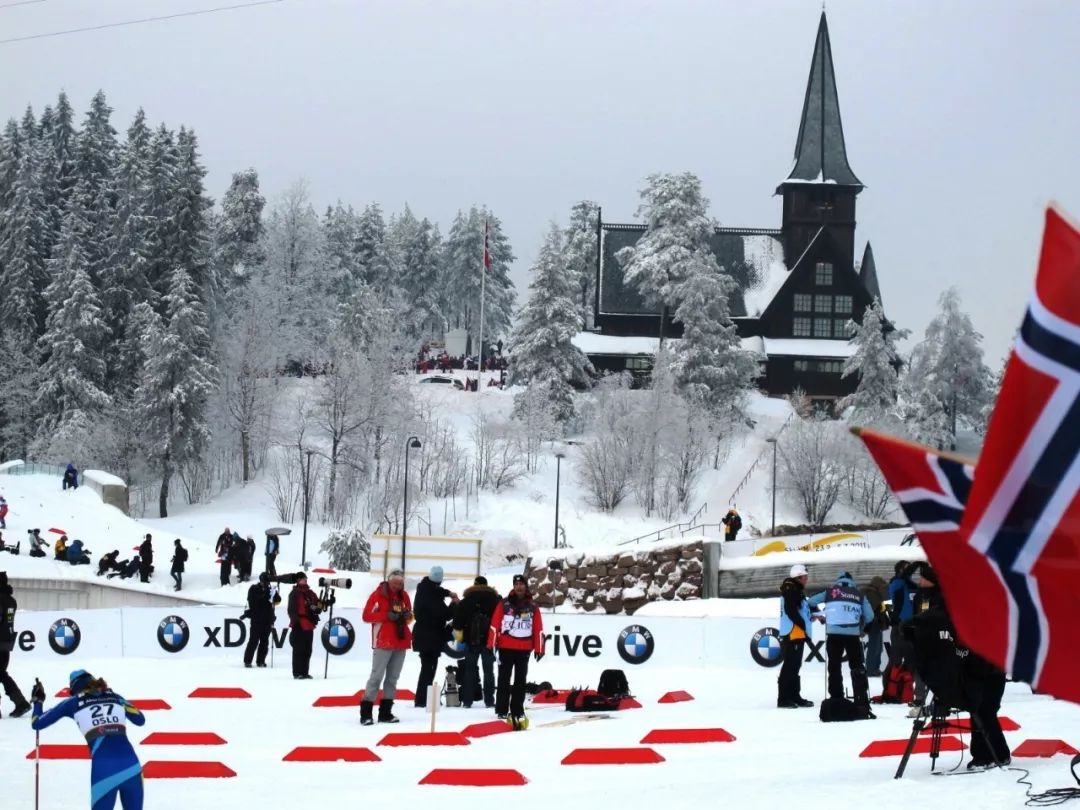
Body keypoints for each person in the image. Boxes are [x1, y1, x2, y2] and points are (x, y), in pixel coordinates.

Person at [904, 571, 1012, 769]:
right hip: (976, 665)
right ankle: (992, 754)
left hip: (989, 665)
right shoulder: (936, 600)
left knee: (984, 711)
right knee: (981, 711)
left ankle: (992, 755)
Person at [32, 669, 145, 809]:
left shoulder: (72, 702)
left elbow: (37, 723)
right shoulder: (115, 697)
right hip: (132, 767)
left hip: (105, 771)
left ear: (74, 688)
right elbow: (140, 720)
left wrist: (38, 701)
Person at [808, 571, 875, 717]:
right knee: (857, 667)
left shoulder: (830, 592)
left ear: (838, 580)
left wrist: (821, 615)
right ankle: (861, 698)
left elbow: (810, 602)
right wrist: (865, 626)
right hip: (852, 635)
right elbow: (870, 616)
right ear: (852, 581)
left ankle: (836, 697)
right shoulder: (858, 594)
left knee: (834, 665)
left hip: (833, 634)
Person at [489, 574, 545, 727]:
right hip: (505, 647)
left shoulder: (533, 607)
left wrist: (539, 648)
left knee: (520, 681)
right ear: (513, 586)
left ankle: (517, 709)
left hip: (523, 649)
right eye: (516, 584)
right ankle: (501, 709)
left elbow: (538, 628)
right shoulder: (504, 604)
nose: (519, 587)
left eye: (521, 584)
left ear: (526, 586)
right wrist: (491, 645)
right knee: (503, 680)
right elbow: (495, 624)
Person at [360, 569, 413, 725]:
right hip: (383, 641)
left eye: (400, 583)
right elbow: (366, 616)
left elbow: (410, 616)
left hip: (400, 640)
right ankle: (366, 713)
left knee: (392, 678)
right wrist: (386, 616)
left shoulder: (405, 597)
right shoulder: (377, 595)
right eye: (395, 583)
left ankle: (385, 713)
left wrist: (407, 617)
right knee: (376, 676)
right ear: (389, 581)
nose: (397, 586)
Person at [412, 566, 458, 708]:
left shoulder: (424, 588)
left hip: (423, 635)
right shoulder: (432, 596)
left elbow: (438, 591)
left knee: (427, 668)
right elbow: (446, 614)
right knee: (428, 669)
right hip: (429, 637)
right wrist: (453, 603)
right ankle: (423, 700)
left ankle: (423, 698)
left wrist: (449, 593)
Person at [453, 575, 501, 708]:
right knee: (489, 671)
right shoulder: (495, 600)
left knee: (469, 671)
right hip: (489, 641)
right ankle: (489, 701)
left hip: (470, 640)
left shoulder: (467, 600)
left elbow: (457, 623)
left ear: (474, 585)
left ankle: (467, 701)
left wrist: (461, 636)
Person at [777, 564, 815, 709]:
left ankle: (794, 696)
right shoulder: (791, 590)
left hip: (797, 632)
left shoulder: (794, 590)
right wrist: (802, 624)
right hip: (794, 632)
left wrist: (811, 616)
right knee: (790, 666)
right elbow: (791, 611)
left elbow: (798, 610)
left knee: (795, 666)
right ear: (798, 577)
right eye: (805, 576)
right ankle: (784, 699)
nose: (807, 579)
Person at [1, 572, 32, 717]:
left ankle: (21, 703)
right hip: (6, 643)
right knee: (1, 674)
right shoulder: (11, 600)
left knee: (2, 675)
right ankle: (20, 702)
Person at [286, 572, 321, 679]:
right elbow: (291, 610)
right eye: (302, 578)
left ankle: (305, 672)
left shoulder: (311, 593)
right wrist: (296, 621)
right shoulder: (294, 593)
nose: (305, 580)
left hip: (309, 624)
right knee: (298, 649)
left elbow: (318, 603)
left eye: (305, 578)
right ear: (297, 580)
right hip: (299, 624)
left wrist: (319, 606)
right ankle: (297, 673)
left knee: (307, 649)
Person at [244, 572, 276, 668]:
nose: (266, 584)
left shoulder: (270, 590)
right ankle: (248, 660)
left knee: (264, 641)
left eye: (267, 582)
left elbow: (276, 601)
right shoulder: (254, 589)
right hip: (257, 619)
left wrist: (275, 595)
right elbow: (253, 603)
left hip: (267, 619)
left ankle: (261, 661)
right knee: (253, 641)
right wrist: (264, 596)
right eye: (264, 581)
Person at [860, 575, 889, 677]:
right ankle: (872, 669)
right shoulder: (872, 593)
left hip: (872, 623)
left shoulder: (868, 592)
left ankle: (874, 668)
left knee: (877, 646)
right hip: (874, 623)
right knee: (874, 647)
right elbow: (882, 607)